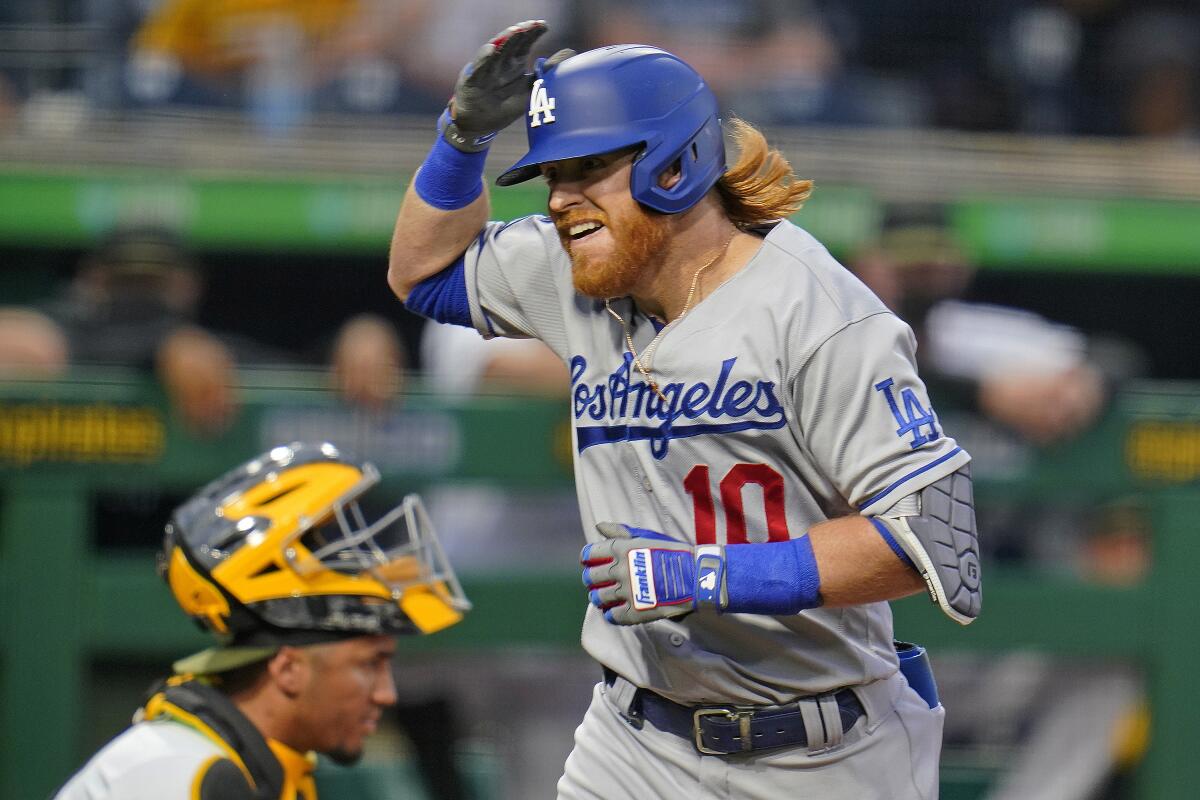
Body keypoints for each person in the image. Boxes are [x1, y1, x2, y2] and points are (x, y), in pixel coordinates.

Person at [387, 20, 981, 799]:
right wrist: (461, 139)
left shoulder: (819, 312)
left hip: (821, 749)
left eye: (588, 170)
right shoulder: (574, 269)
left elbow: (935, 545)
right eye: (553, 178)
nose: (563, 203)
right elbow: (423, 274)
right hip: (634, 741)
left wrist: (704, 573)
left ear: (676, 164)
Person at [53, 440, 471, 799]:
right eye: (369, 663)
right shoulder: (187, 774)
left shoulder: (256, 765)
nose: (387, 694)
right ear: (287, 668)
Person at [0, 227, 407, 434]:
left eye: (154, 285)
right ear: (89, 282)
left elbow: (297, 367)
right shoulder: (64, 333)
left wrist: (356, 336)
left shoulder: (211, 350)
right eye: (125, 284)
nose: (139, 304)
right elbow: (35, 341)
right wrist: (160, 347)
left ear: (188, 286)